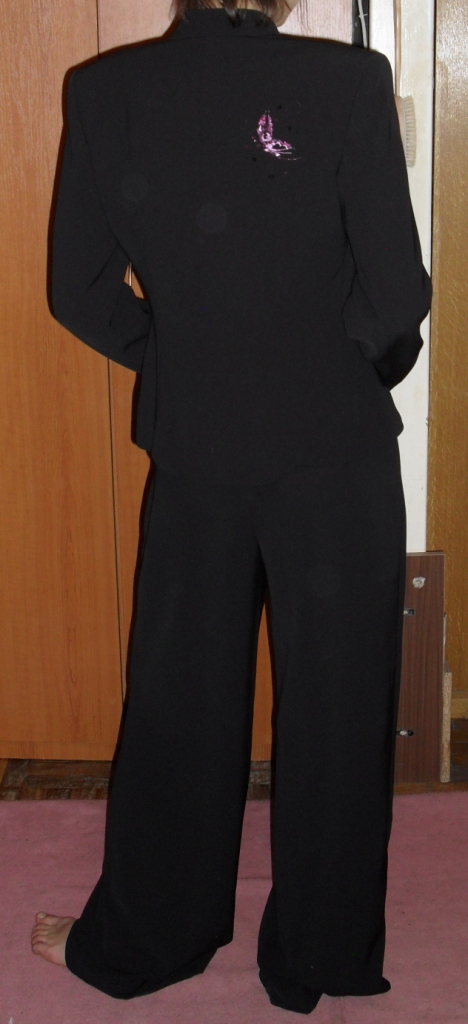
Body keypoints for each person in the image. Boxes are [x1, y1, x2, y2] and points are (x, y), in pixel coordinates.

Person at [31, 0, 431, 1013]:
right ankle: (320, 956)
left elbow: (77, 289)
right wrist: (346, 372)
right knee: (340, 708)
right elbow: (397, 291)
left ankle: (149, 940)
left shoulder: (106, 90)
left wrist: (175, 360)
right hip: (335, 456)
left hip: (196, 452)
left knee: (180, 704)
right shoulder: (347, 82)